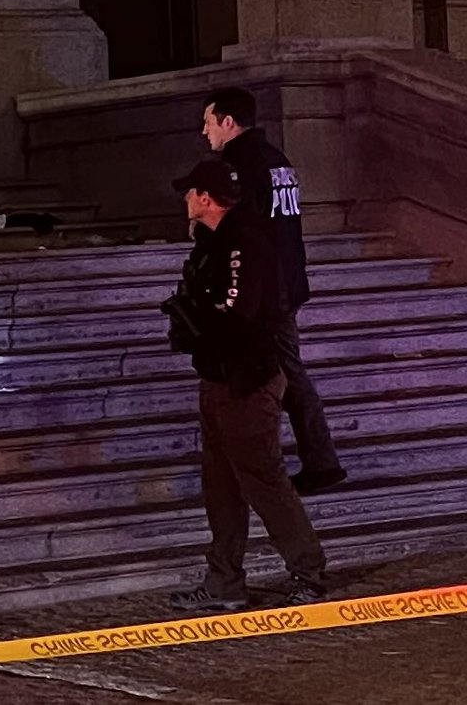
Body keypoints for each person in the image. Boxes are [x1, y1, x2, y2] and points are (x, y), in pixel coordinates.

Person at [162, 160, 327, 610]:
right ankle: (224, 583)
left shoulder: (244, 241)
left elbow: (240, 314)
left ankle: (307, 572)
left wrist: (198, 322)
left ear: (205, 199)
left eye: (190, 192)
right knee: (221, 486)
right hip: (219, 378)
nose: (185, 199)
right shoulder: (216, 241)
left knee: (262, 480)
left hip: (246, 381)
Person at [200, 87, 346, 496]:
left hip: (265, 290)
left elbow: (236, 232)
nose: (204, 131)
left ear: (229, 122)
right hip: (285, 282)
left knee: (282, 375)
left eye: (209, 121)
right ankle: (307, 461)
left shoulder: (238, 167)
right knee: (282, 372)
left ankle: (318, 461)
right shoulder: (277, 161)